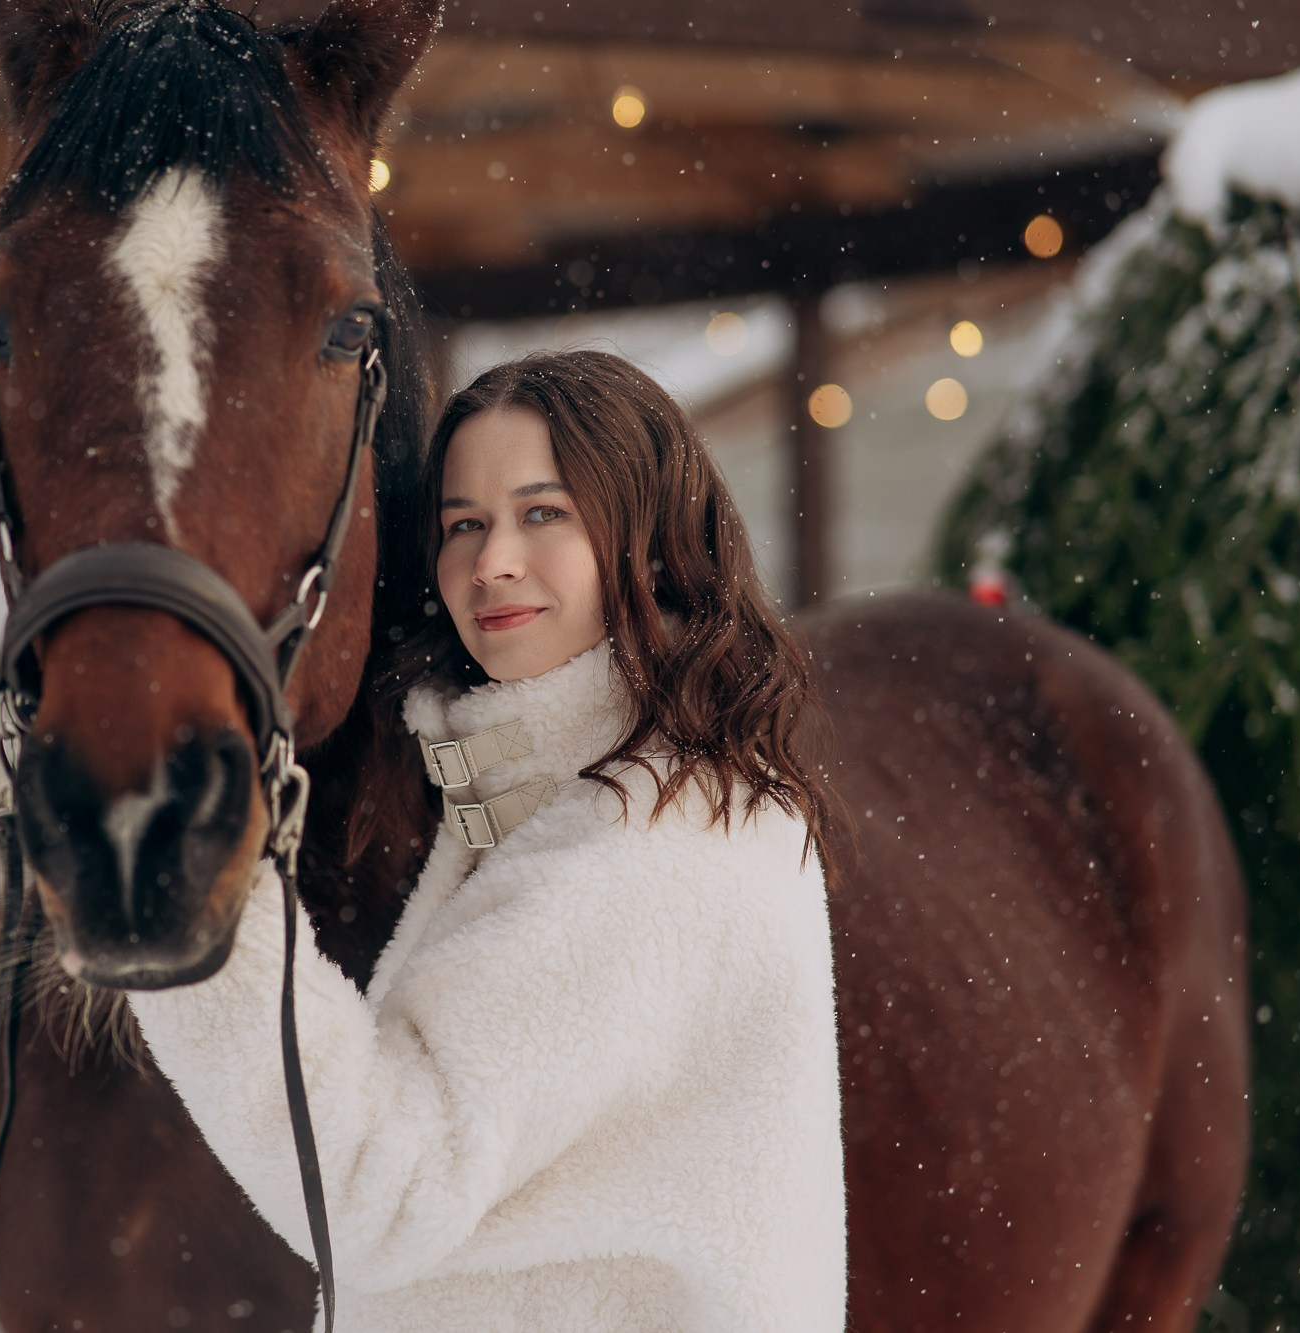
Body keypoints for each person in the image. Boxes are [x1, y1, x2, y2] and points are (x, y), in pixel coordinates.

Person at [128, 350, 846, 1331]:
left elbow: (379, 1188)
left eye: (541, 512)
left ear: (648, 536)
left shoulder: (641, 853)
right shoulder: (624, 798)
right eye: (463, 523)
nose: (490, 560)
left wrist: (194, 888)